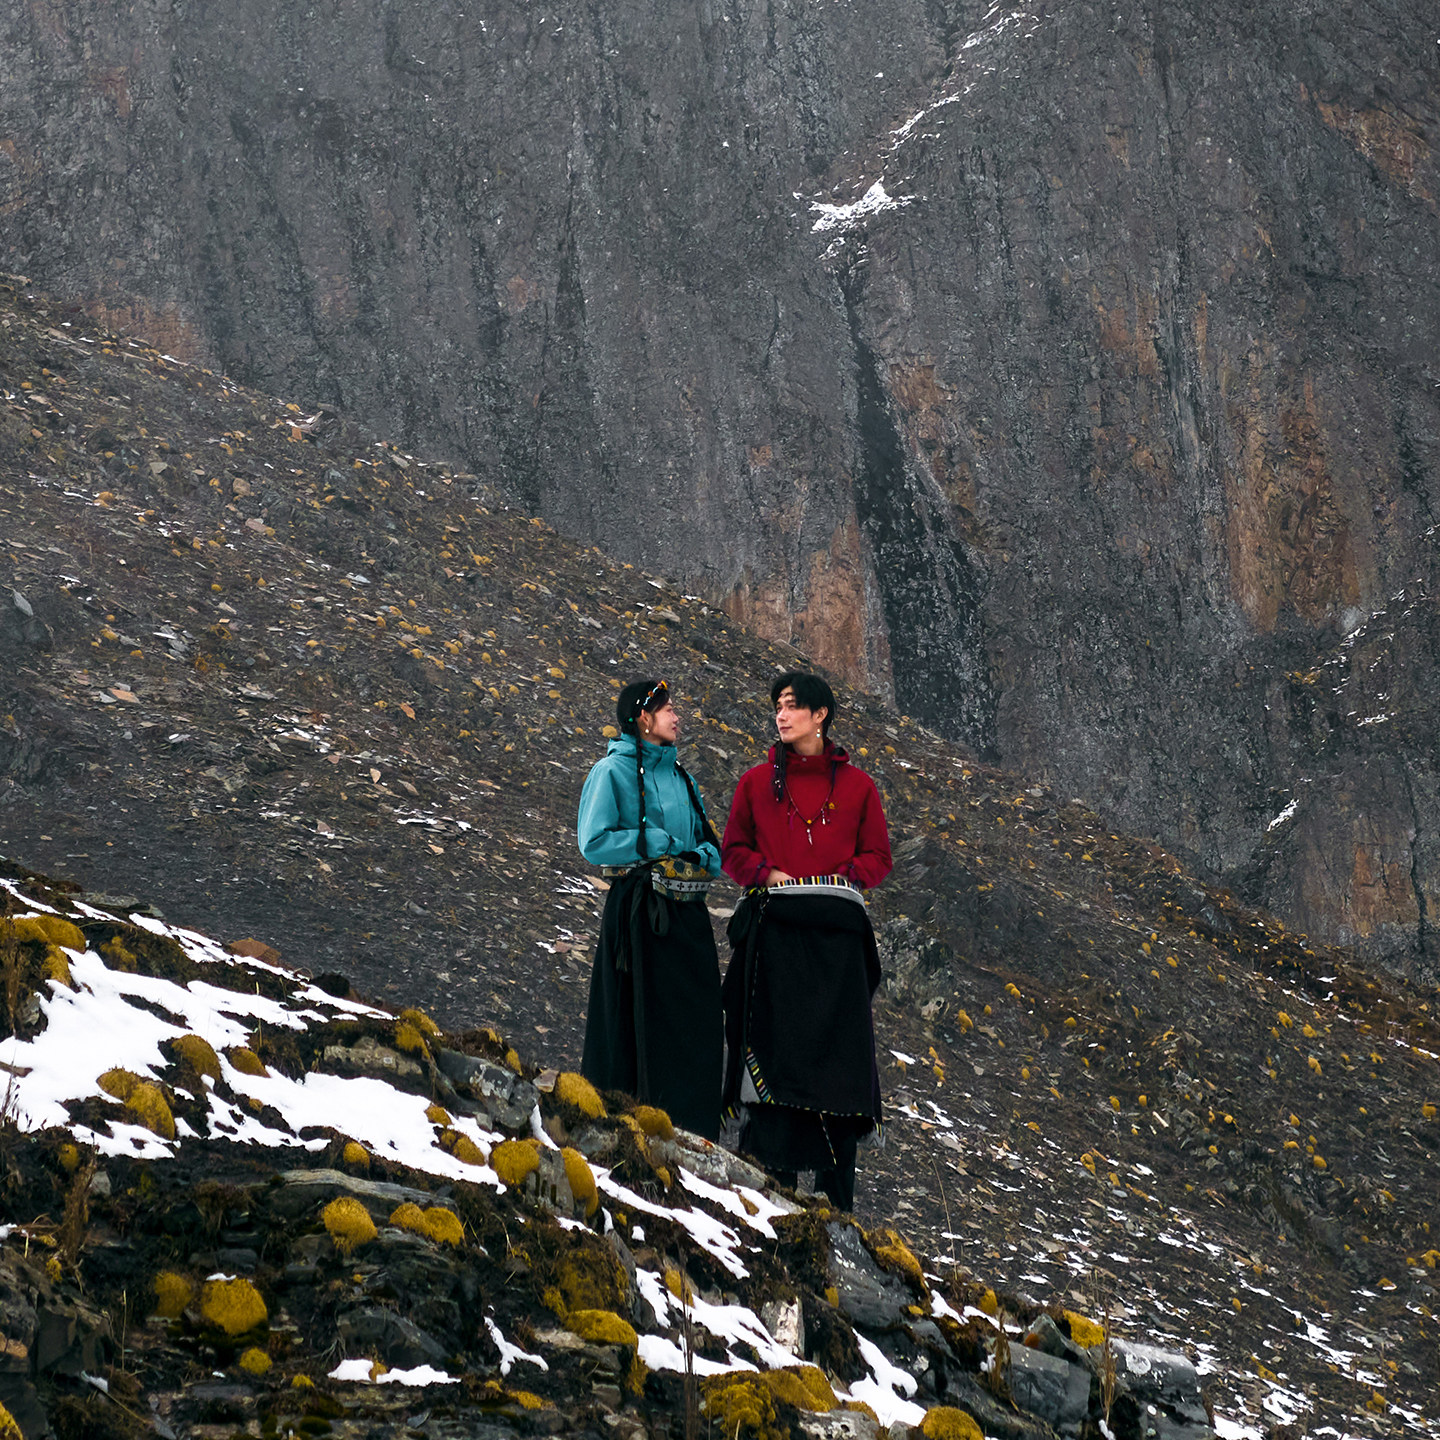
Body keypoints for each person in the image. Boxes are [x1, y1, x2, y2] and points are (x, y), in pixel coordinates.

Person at [720, 670, 892, 1211]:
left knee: (839, 1070)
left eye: (792, 705)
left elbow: (878, 858)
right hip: (772, 945)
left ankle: (838, 1209)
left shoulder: (860, 787)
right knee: (772, 1062)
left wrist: (844, 876)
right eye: (777, 705)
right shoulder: (754, 782)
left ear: (821, 715)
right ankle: (769, 1204)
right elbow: (733, 851)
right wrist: (767, 874)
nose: (780, 714)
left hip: (838, 953)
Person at [576, 679, 724, 1139]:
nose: (677, 717)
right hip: (638, 916)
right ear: (643, 717)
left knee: (695, 1025)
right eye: (668, 709)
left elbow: (709, 846)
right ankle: (629, 1124)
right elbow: (593, 842)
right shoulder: (611, 772)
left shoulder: (682, 776)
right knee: (636, 1020)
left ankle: (693, 1129)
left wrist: (699, 855)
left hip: (688, 919)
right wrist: (657, 844)